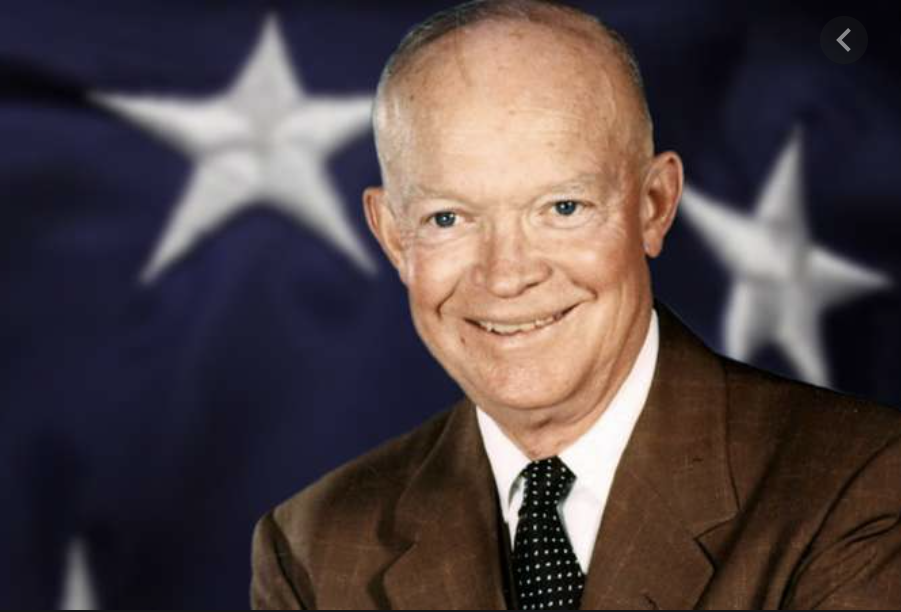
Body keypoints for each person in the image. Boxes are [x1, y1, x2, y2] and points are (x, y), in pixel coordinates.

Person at [250, 1, 901, 609]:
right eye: (448, 218)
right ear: (394, 237)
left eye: (563, 208)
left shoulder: (859, 484)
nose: (507, 276)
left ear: (653, 205)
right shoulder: (312, 546)